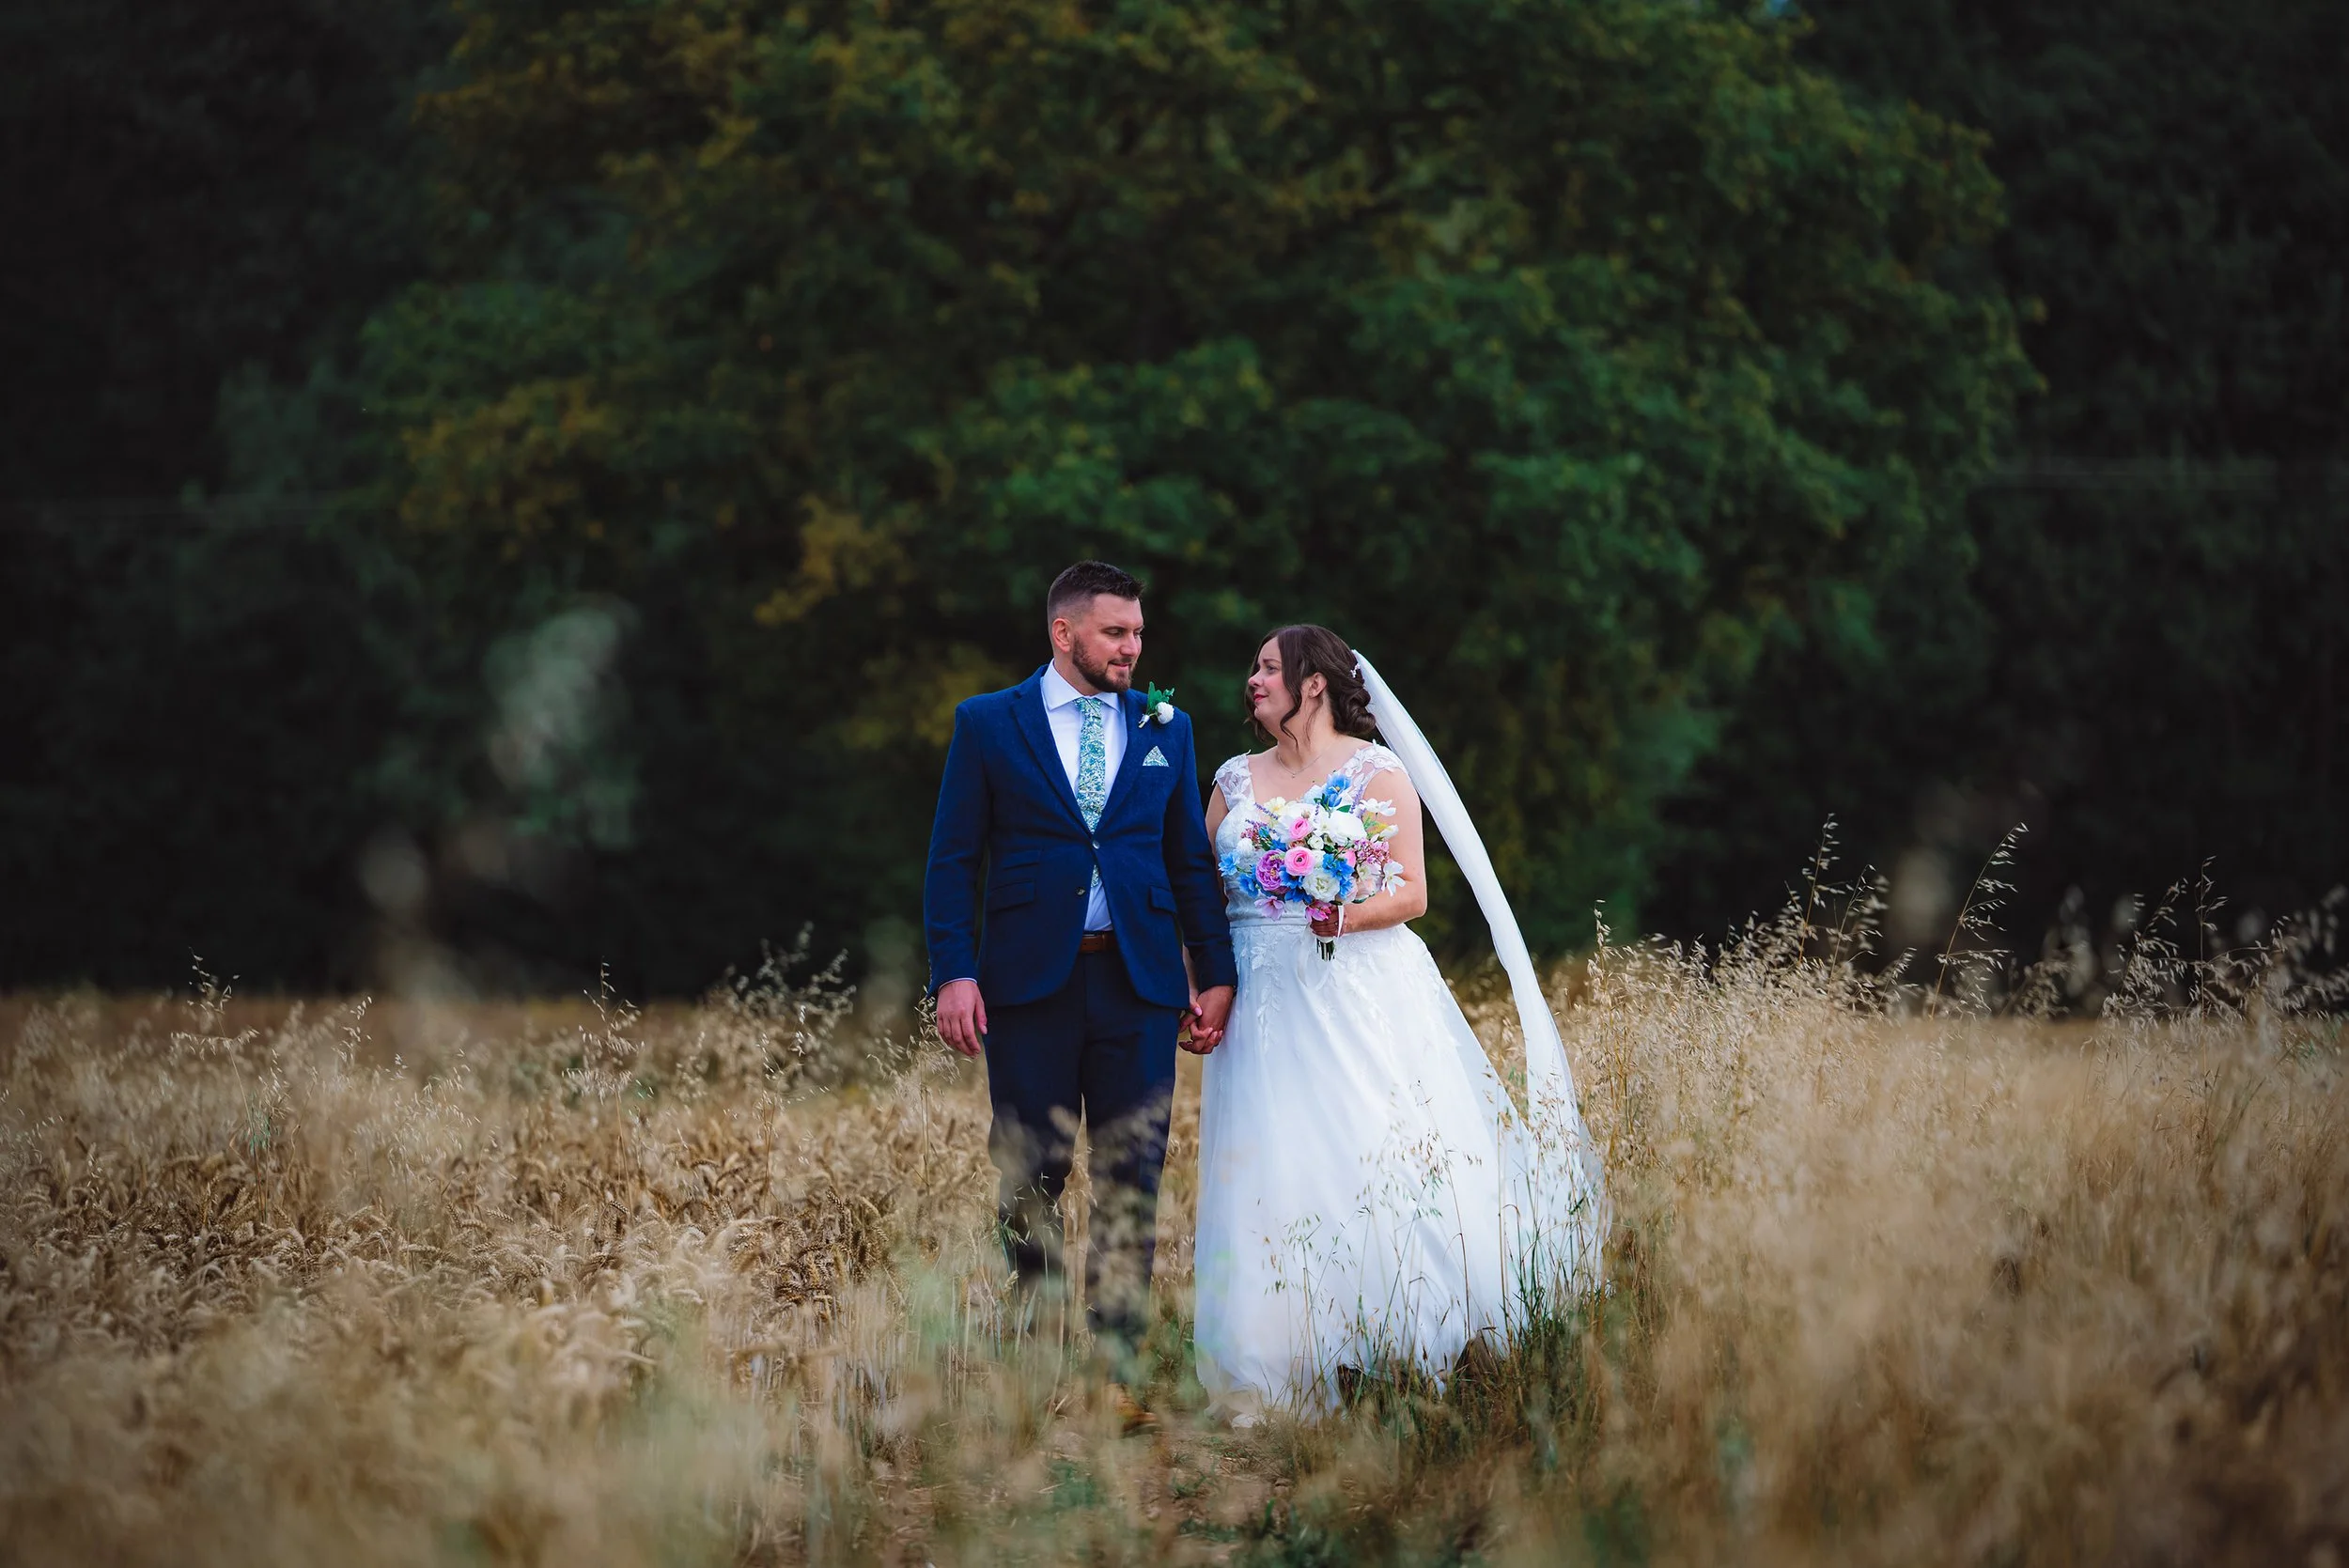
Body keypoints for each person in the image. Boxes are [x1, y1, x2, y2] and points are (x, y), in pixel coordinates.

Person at [1190, 625, 1609, 1420]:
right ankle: (1276, 1356)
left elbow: (1412, 893)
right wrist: (1200, 977)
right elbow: (1199, 889)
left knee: (1365, 1146)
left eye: (1268, 667)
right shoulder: (1234, 780)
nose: (1252, 679)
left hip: (1351, 991)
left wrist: (1339, 915)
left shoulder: (1378, 772)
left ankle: (1399, 1336)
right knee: (1267, 1156)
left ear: (1313, 682)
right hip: (1259, 995)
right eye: (1253, 667)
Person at [922, 560, 1237, 1401]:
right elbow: (954, 859)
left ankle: (1118, 1371)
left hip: (1139, 984)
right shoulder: (989, 724)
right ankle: (1035, 1355)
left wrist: (1215, 972)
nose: (1133, 647)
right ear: (1065, 634)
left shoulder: (1167, 726)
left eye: (1137, 632)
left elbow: (1188, 861)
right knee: (1031, 1171)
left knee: (1133, 1172)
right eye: (1115, 632)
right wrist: (953, 972)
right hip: (1030, 987)